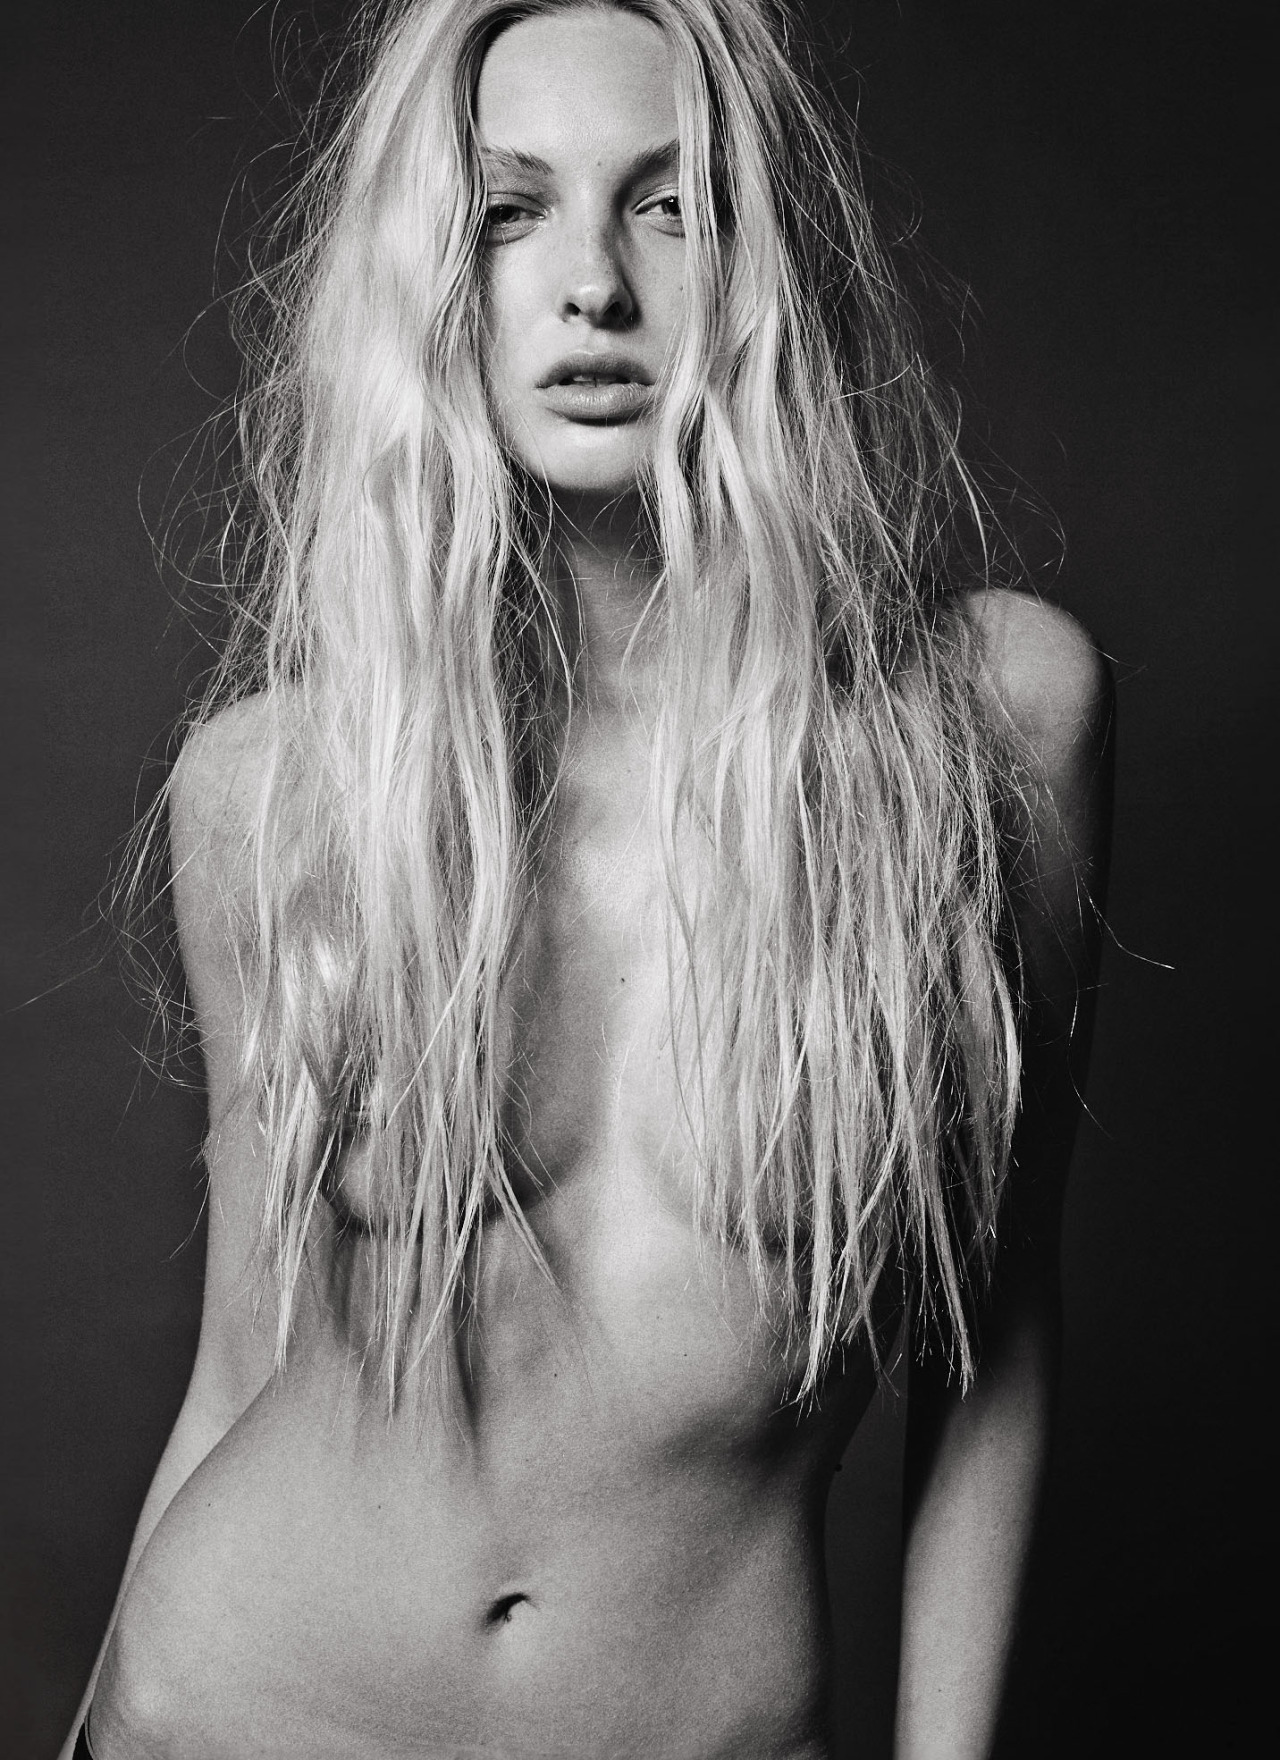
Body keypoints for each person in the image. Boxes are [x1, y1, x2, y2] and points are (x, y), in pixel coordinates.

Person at [62, 0, 1113, 1754]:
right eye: (508, 211)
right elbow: (244, 1361)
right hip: (232, 1710)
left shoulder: (988, 733)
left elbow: (994, 1339)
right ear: (432, 279)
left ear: (764, 260)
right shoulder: (283, 793)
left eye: (670, 203)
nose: (593, 287)